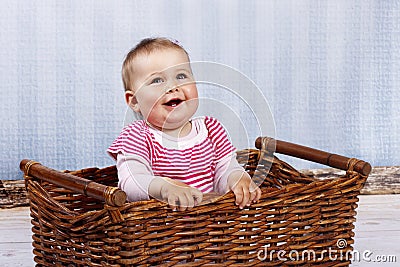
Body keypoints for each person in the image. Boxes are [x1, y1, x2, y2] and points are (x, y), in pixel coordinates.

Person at [108, 37, 261, 211]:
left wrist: (236, 178)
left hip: (213, 229)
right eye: (157, 80)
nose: (173, 86)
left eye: (181, 76)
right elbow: (131, 181)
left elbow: (226, 168)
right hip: (159, 231)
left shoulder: (211, 130)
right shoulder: (136, 136)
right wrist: (164, 187)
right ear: (134, 100)